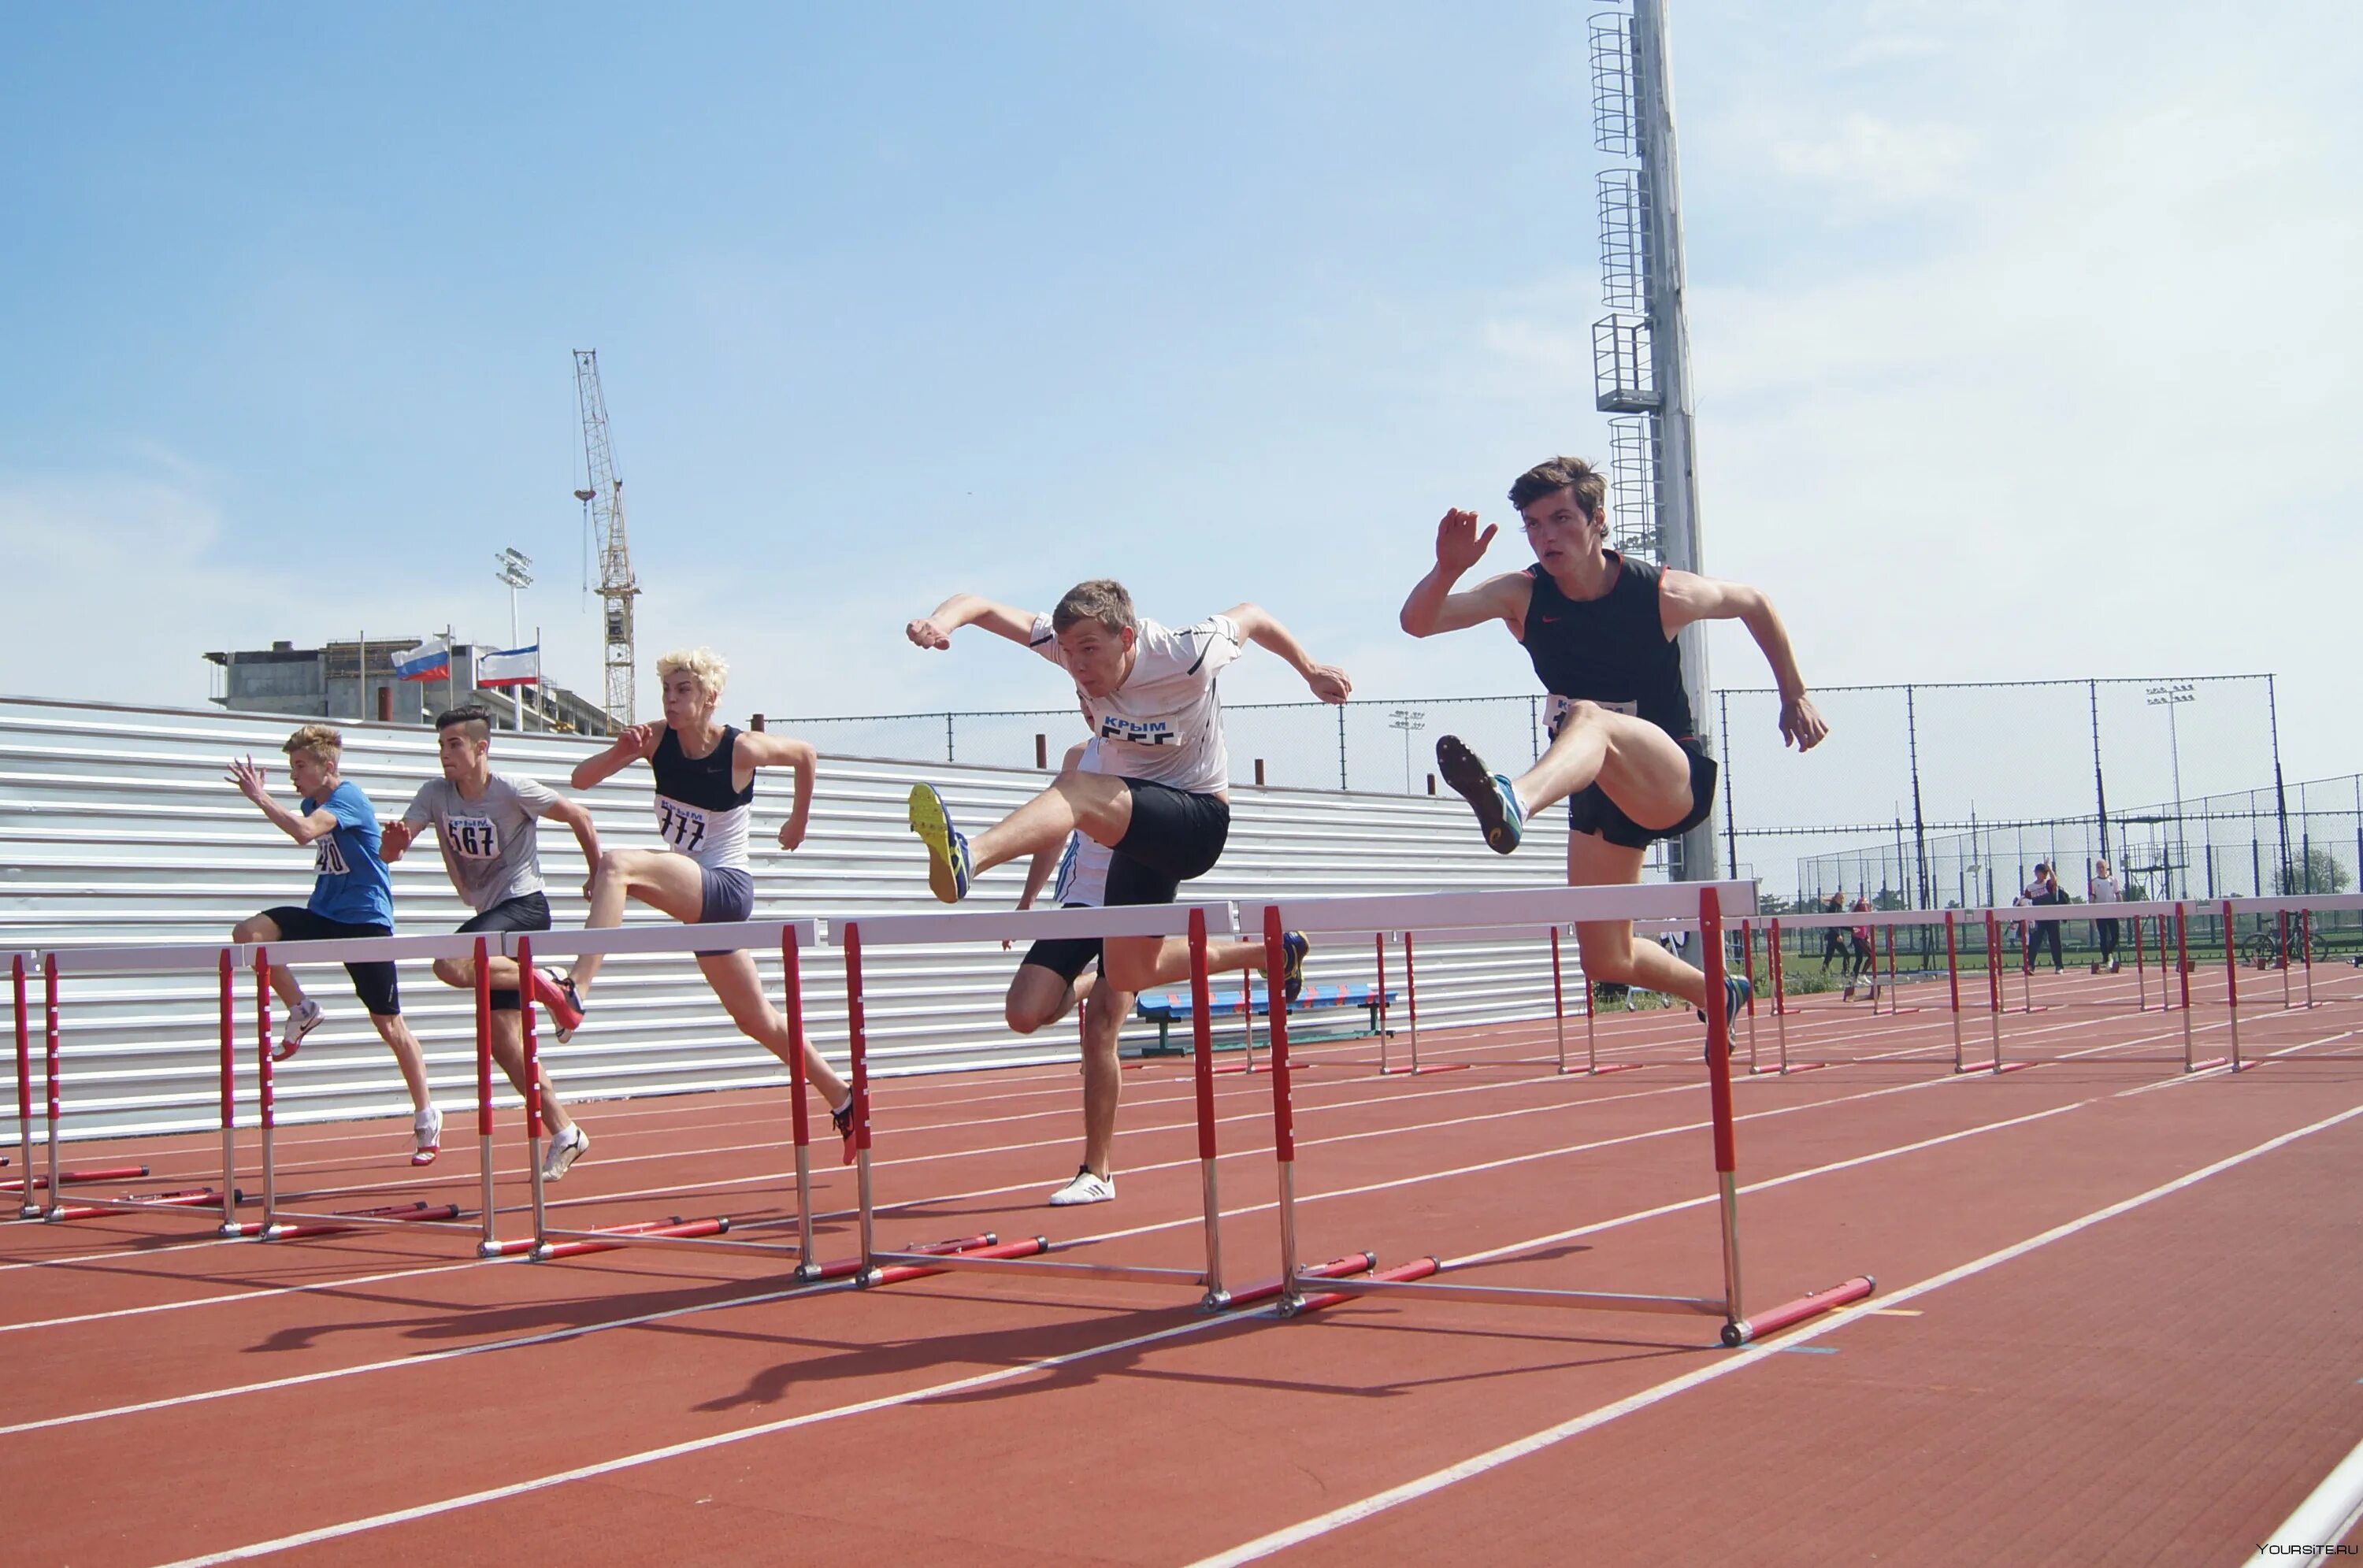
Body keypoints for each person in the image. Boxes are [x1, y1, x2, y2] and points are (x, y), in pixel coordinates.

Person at [1398, 456, 1828, 1049]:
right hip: (1597, 788)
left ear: (1598, 520)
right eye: (1533, 524)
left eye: (1560, 519)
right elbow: (1417, 623)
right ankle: (1716, 991)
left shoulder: (1658, 593)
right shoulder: (1523, 595)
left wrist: (1794, 692)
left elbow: (1752, 601)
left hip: (1670, 777)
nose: (1546, 536)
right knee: (1606, 957)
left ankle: (1514, 799)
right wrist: (1446, 570)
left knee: (1589, 715)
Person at [901, 580, 1347, 1002]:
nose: (1078, 666)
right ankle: (1271, 953)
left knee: (1078, 789)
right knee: (1130, 971)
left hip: (1198, 819)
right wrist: (941, 622)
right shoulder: (1068, 648)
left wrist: (1309, 670)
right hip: (1138, 830)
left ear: (1128, 638)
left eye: (1091, 651)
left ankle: (969, 856)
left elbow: (1253, 615)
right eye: (1070, 654)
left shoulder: (1187, 652)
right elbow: (982, 606)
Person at [561, 650, 857, 1161]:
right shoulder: (654, 739)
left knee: (615, 866)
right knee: (758, 1019)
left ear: (709, 698)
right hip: (696, 896)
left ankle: (575, 990)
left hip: (726, 886)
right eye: (667, 692)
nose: (672, 701)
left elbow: (805, 754)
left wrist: (797, 822)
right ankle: (845, 1098)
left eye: (683, 692)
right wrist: (619, 752)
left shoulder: (739, 749)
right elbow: (580, 780)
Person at [380, 705, 603, 1181]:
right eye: (440, 746)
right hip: (489, 916)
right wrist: (394, 845)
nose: (445, 755)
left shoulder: (511, 789)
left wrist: (595, 875)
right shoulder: (434, 795)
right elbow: (393, 849)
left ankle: (554, 988)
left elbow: (580, 815)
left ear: (482, 749)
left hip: (524, 907)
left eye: (455, 745)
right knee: (504, 1044)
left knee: (450, 964)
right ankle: (566, 1132)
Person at [227, 725, 442, 1165]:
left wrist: (260, 798)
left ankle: (426, 1116)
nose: (293, 776)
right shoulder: (313, 800)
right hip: (325, 915)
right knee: (249, 934)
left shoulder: (347, 800)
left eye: (300, 767)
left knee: (390, 1026)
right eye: (291, 767)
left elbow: (305, 833)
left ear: (328, 767)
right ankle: (302, 1009)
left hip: (365, 921)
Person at [1003, 739, 1130, 1207]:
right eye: (1079, 695)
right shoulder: (1078, 758)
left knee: (1100, 1032)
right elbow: (1054, 830)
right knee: (1022, 1012)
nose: (1087, 702)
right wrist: (1029, 897)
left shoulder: (1155, 750)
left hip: (1132, 904)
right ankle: (1083, 983)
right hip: (1079, 903)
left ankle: (1097, 1171)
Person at [2023, 862, 2066, 973]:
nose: (2045, 875)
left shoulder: (2048, 885)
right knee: (2035, 941)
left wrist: (2049, 868)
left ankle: (2059, 966)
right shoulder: (2030, 888)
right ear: (2037, 873)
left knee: (2055, 941)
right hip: (2039, 918)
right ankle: (2030, 965)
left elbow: (2054, 881)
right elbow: (2025, 899)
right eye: (2043, 872)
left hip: (2052, 917)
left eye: (2046, 873)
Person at [2087, 858, 2123, 973]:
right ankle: (2106, 958)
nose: (2101, 870)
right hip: (2100, 912)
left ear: (2106, 867)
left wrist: (2123, 910)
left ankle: (2109, 953)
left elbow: (2118, 895)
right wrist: (2091, 915)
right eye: (2099, 867)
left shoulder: (2113, 880)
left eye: (2103, 867)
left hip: (2112, 912)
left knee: (2115, 935)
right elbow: (2092, 898)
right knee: (2103, 936)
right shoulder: (2094, 882)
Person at [1842, 895, 1877, 1003]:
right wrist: (1853, 929)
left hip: (1862, 937)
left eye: (1867, 905)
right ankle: (1862, 974)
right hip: (1858, 938)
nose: (1866, 907)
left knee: (1859, 958)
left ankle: (1855, 979)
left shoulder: (1867, 915)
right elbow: (1846, 924)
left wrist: (1867, 936)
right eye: (1864, 905)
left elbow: (1867, 927)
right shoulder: (1856, 915)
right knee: (1872, 956)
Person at [1817, 888, 1849, 973]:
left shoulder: (1837, 906)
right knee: (1846, 955)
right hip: (1834, 936)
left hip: (1832, 936)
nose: (1843, 900)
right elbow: (1832, 923)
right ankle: (1846, 972)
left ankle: (1823, 973)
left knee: (1829, 957)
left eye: (1843, 898)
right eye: (1841, 898)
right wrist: (1838, 935)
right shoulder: (1834, 907)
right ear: (1836, 898)